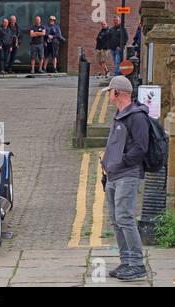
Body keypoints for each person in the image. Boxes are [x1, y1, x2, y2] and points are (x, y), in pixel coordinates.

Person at [101, 76, 149, 281]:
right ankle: (126, 261)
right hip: (113, 175)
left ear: (117, 93)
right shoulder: (119, 115)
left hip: (128, 176)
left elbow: (140, 149)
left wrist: (119, 163)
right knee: (115, 220)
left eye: (110, 91)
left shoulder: (136, 117)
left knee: (125, 218)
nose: (109, 96)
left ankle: (137, 264)